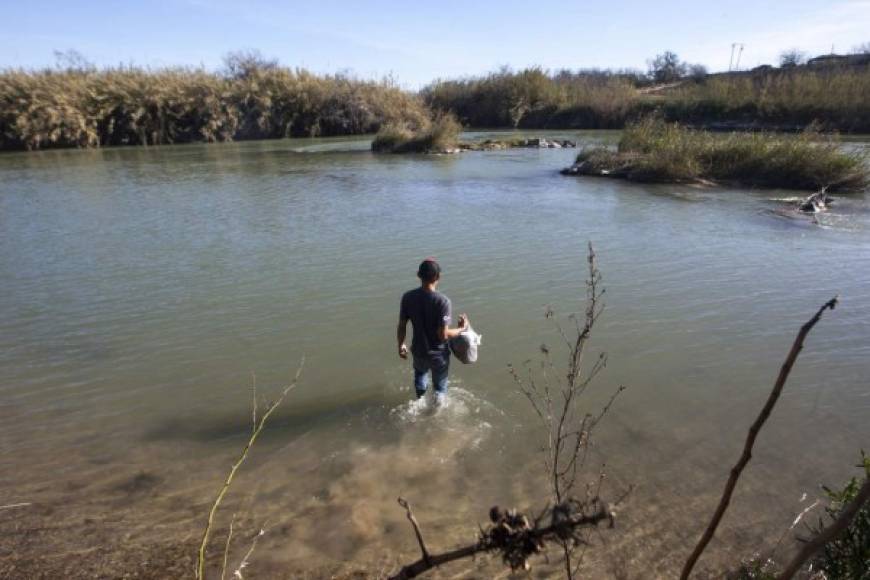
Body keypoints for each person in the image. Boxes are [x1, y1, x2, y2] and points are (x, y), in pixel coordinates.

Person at [397, 258, 468, 403]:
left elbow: (402, 324)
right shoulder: (443, 301)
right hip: (438, 354)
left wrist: (401, 344)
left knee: (420, 376)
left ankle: (419, 402)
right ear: (438, 277)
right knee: (440, 389)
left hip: (418, 350)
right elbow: (443, 335)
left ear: (418, 275)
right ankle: (437, 413)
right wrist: (461, 329)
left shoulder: (408, 297)